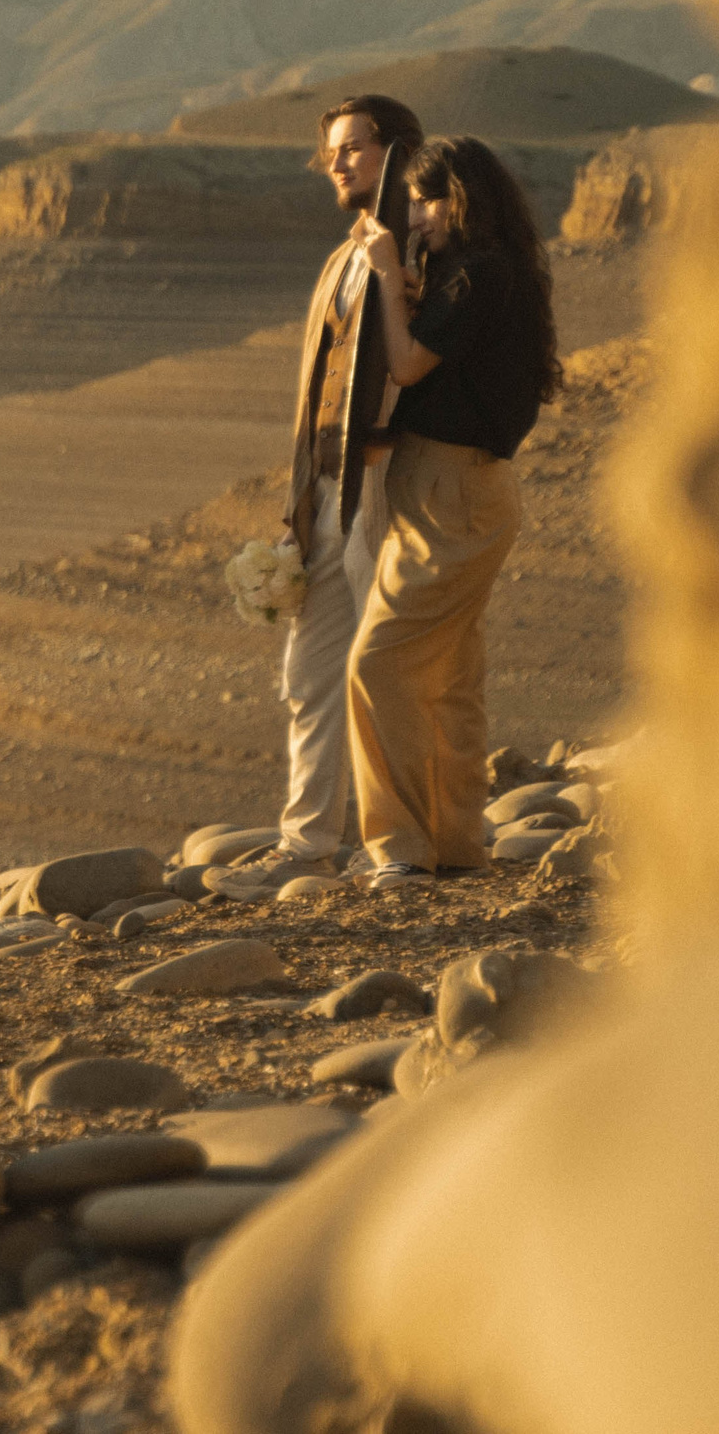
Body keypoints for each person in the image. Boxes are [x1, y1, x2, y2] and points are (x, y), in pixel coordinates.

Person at [345, 135, 562, 885]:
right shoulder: (478, 274)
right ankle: (455, 844)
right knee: (447, 672)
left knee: (377, 663)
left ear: (457, 197)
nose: (415, 217)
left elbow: (408, 364)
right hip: (452, 490)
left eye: (424, 201)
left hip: (452, 494)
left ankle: (401, 849)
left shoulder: (479, 275)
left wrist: (381, 276)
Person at [247, 93, 426, 878]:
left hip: (388, 485)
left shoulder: (420, 249)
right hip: (326, 491)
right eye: (333, 151)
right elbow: (315, 387)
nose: (339, 161)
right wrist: (296, 506)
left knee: (383, 668)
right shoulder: (343, 257)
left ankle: (401, 844)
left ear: (397, 151)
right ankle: (307, 843)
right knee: (309, 673)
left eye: (354, 146)